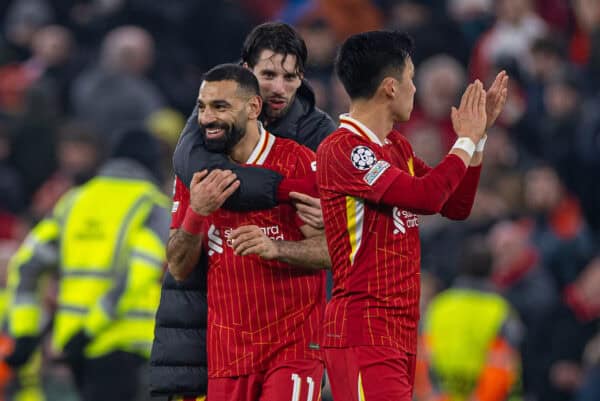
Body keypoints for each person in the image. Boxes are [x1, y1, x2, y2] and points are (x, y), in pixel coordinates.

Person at [315, 30, 508, 401]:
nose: (415, 89)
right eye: (411, 79)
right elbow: (428, 196)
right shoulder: (343, 150)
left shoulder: (396, 146)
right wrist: (463, 140)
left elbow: (455, 205)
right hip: (364, 329)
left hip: (399, 330)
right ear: (390, 87)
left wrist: (477, 139)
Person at [150, 22, 336, 400]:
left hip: (294, 344)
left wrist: (281, 245)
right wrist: (197, 212)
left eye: (290, 77)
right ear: (247, 74)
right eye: (268, 75)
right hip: (222, 346)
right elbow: (179, 266)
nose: (278, 88)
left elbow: (338, 250)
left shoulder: (312, 152)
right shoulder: (197, 160)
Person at [4, 127, 170, 401]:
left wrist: (24, 334)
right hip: (125, 345)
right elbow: (139, 275)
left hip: (73, 347)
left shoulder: (74, 201)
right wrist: (92, 328)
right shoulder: (152, 206)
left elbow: (27, 265)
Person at [417, 237, 522, 401]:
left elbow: (422, 359)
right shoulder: (501, 311)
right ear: (492, 270)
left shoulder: (438, 306)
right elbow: (506, 365)